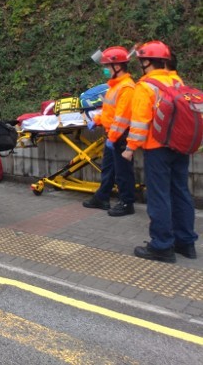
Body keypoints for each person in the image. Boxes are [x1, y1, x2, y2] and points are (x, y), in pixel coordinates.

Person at [123, 41, 198, 263]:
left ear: (147, 62)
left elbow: (140, 122)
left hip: (157, 149)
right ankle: (186, 243)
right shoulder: (176, 81)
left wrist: (130, 148)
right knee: (181, 192)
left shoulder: (145, 86)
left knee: (159, 196)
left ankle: (162, 246)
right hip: (180, 146)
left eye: (142, 61)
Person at [82, 46, 137, 216]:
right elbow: (109, 112)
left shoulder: (126, 88)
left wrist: (112, 138)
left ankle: (127, 203)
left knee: (123, 172)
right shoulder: (115, 86)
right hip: (113, 135)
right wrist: (97, 120)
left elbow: (122, 118)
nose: (105, 69)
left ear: (117, 66)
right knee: (108, 169)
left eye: (107, 66)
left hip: (120, 136)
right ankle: (102, 197)